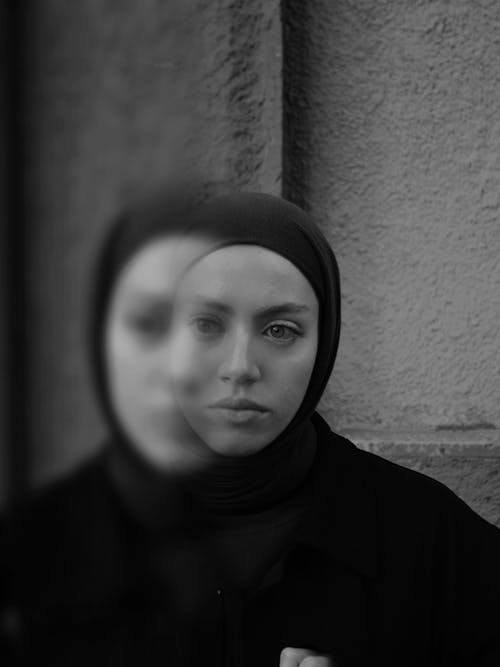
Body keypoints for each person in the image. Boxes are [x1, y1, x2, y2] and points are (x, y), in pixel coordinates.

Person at [1, 190, 499, 667]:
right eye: (206, 325)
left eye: (280, 330)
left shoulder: (429, 543)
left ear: (324, 346)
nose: (240, 367)